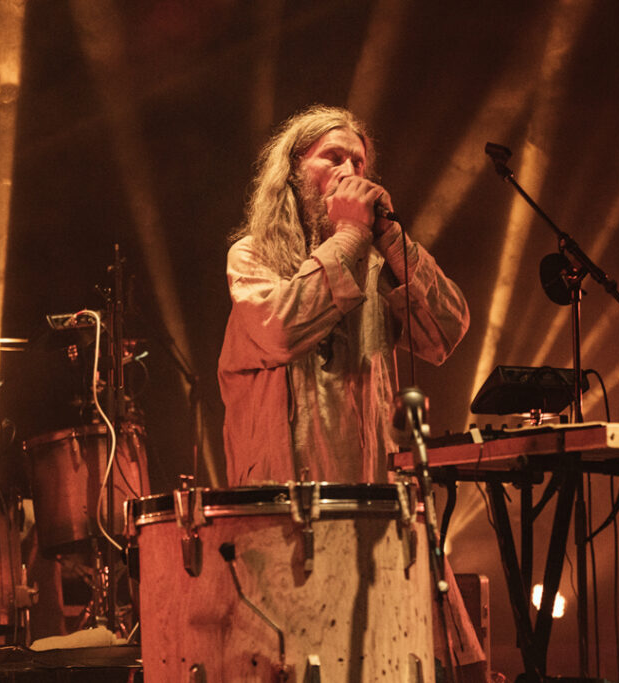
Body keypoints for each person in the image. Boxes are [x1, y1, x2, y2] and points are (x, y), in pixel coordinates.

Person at [218, 105, 489, 679]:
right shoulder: (251, 258)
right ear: (294, 171)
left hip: (373, 511)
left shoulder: (372, 264)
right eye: (332, 157)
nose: (350, 171)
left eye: (359, 161)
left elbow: (447, 331)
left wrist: (392, 240)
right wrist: (349, 235)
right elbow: (281, 328)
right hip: (285, 522)